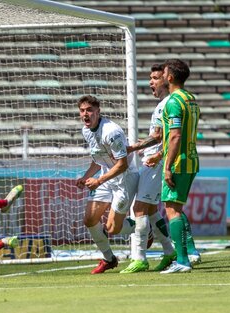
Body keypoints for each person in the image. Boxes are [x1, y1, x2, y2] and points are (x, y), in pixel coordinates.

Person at [121, 64, 176, 273]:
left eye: (155, 78)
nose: (151, 82)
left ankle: (140, 258)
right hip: (156, 159)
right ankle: (170, 251)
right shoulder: (163, 104)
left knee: (139, 209)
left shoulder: (165, 104)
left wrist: (133, 147)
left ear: (166, 79)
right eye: (150, 78)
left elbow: (160, 136)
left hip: (155, 162)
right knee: (152, 211)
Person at [75, 95, 139, 274]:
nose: (85, 114)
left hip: (123, 179)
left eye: (89, 110)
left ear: (98, 111)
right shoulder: (86, 131)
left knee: (112, 228)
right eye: (82, 111)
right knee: (89, 219)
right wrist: (85, 177)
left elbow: (122, 164)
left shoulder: (112, 132)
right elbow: (98, 160)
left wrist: (98, 181)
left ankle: (143, 227)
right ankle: (109, 259)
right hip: (105, 177)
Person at [158, 59, 200, 274]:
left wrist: (167, 166)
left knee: (172, 210)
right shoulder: (191, 99)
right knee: (177, 209)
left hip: (179, 162)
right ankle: (189, 253)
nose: (162, 76)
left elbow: (175, 135)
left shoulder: (174, 101)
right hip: (191, 160)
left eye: (164, 73)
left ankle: (182, 261)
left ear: (170, 77)